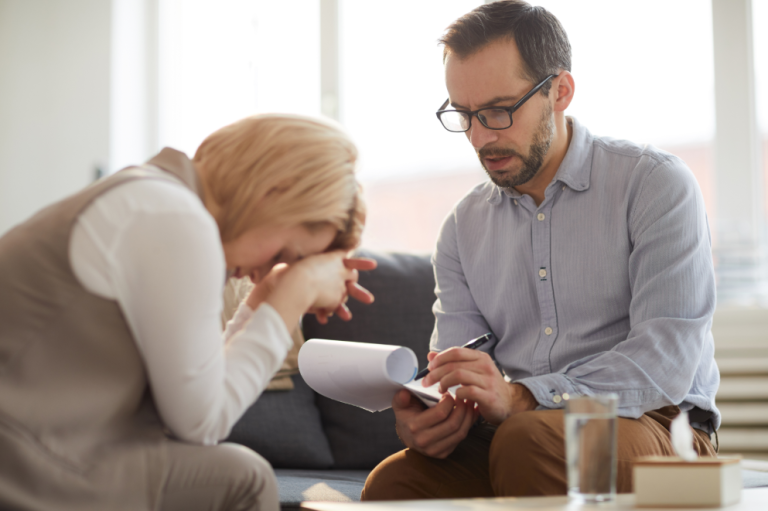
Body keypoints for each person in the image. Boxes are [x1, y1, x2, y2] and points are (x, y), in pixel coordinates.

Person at [362, 0, 718, 500]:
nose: (481, 136)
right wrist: (434, 414)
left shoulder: (654, 183)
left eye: (499, 111)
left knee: (528, 440)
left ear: (560, 91)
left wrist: (525, 395)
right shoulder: (463, 227)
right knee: (394, 482)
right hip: (521, 430)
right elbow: (457, 366)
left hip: (661, 426)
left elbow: (665, 364)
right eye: (463, 115)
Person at [0, 113, 375, 511]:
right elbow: (202, 424)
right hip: (24, 455)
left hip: (38, 442)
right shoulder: (173, 219)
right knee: (241, 477)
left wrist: (262, 300)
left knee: (236, 472)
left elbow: (196, 393)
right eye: (284, 255)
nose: (269, 271)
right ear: (276, 191)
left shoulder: (156, 197)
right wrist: (288, 300)